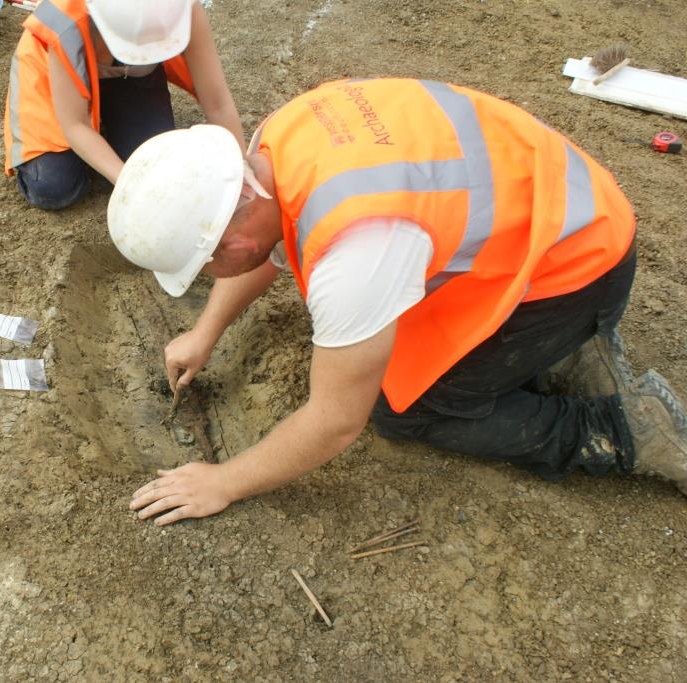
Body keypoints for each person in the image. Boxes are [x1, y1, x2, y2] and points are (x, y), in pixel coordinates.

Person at [105, 77, 687, 526]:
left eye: (205, 266)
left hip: (578, 261)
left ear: (233, 240)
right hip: (559, 198)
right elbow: (269, 242)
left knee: (407, 408)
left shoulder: (356, 252)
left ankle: (622, 427)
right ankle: (557, 351)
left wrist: (223, 482)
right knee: (403, 342)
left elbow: (335, 422)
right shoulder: (276, 144)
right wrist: (206, 331)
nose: (211, 276)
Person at [2, 0, 244, 210]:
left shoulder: (181, 9)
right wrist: (130, 183)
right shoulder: (65, 23)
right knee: (53, 186)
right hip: (54, 77)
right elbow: (75, 124)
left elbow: (218, 102)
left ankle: (106, 130)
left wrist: (240, 169)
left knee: (155, 167)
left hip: (129, 80)